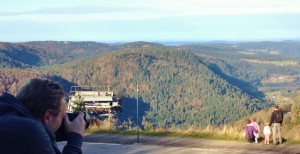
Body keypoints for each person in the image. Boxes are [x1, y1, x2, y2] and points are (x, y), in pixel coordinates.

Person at [0, 78, 86, 154]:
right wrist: (75, 137)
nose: (64, 120)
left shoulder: (7, 118)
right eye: (62, 116)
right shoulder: (30, 130)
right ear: (48, 116)